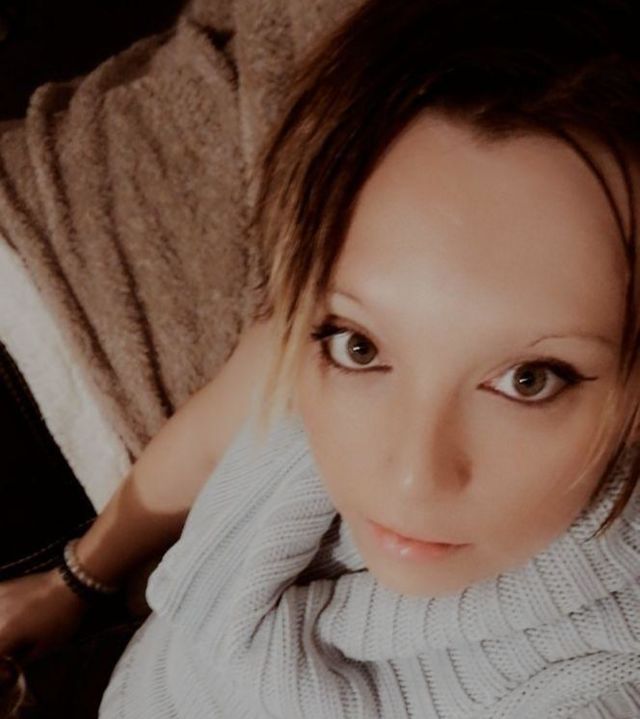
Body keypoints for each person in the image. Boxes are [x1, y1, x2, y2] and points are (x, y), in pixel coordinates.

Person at [2, 0, 640, 716]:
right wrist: (75, 579)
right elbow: (225, 420)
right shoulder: (316, 338)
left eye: (529, 380)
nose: (408, 477)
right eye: (361, 347)